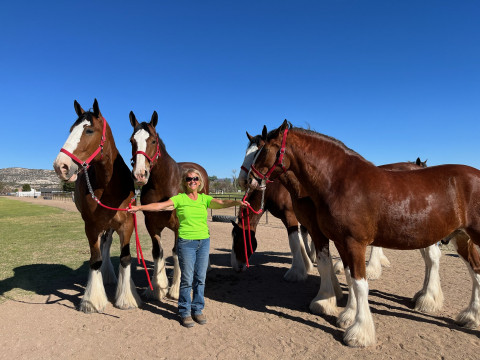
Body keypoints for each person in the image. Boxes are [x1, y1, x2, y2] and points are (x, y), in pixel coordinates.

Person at [128, 168, 249, 328]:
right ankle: (184, 311)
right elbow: (159, 206)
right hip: (186, 243)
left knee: (201, 278)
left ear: (200, 182)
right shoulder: (179, 199)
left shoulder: (204, 198)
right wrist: (139, 208)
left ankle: (197, 309)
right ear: (184, 182)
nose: (193, 181)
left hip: (204, 242)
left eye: (195, 179)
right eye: (189, 179)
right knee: (187, 279)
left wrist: (236, 202)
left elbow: (220, 203)